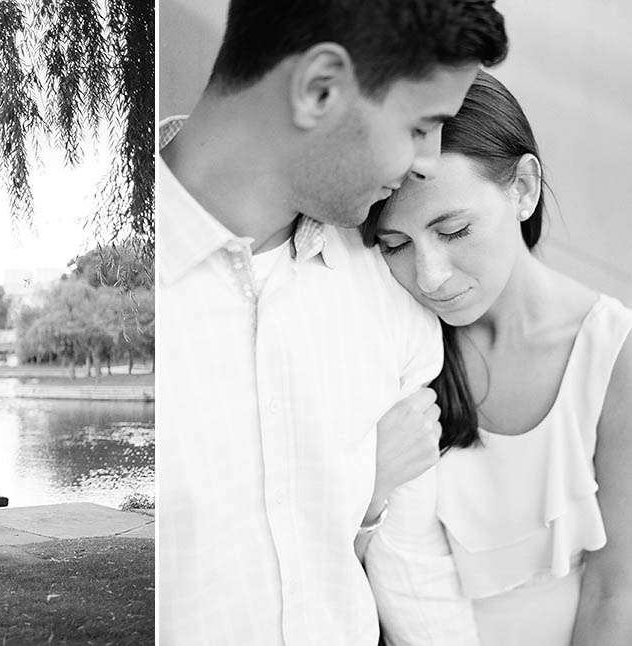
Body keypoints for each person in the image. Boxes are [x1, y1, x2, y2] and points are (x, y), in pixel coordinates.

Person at [157, 1, 508, 643]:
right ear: (320, 89)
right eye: (422, 125)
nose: (428, 162)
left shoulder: (389, 282)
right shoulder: (146, 291)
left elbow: (412, 572)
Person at [361, 71, 632, 645]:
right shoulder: (396, 346)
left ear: (524, 188)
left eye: (454, 230)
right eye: (396, 245)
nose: (429, 277)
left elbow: (617, 590)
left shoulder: (612, 351)